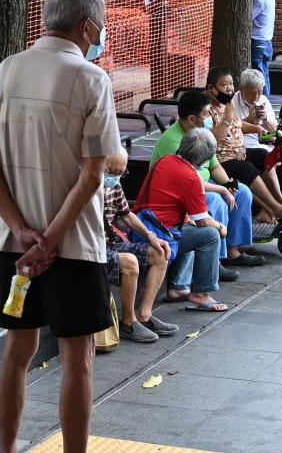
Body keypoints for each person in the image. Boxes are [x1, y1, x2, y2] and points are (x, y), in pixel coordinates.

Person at [0, 0, 124, 453]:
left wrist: (22, 231)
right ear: (87, 26)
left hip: (11, 248)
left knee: (17, 351)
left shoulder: (5, 71)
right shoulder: (90, 78)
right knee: (78, 359)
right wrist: (53, 239)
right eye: (99, 28)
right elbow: (94, 173)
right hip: (75, 247)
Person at [150, 90, 263, 275]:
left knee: (241, 191)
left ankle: (233, 251)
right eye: (206, 114)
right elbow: (187, 181)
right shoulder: (173, 142)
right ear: (192, 119)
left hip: (202, 182)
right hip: (179, 191)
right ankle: (215, 261)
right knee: (216, 201)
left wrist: (227, 184)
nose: (210, 117)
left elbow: (214, 165)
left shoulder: (201, 134)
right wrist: (221, 190)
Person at [135, 128, 230, 313]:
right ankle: (201, 293)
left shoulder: (165, 160)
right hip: (159, 234)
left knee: (189, 225)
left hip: (142, 225)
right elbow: (203, 221)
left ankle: (177, 286)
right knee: (209, 235)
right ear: (204, 159)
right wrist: (220, 226)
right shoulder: (191, 176)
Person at [203, 66, 282, 223]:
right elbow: (210, 140)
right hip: (220, 159)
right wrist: (227, 119)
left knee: (264, 156)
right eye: (224, 84)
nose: (229, 88)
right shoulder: (205, 108)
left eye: (231, 83)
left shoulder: (225, 104)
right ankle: (276, 210)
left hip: (239, 152)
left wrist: (257, 128)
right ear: (211, 88)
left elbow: (238, 125)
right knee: (246, 168)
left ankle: (280, 201)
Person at [102, 149, 178, 344]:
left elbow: (126, 214)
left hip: (110, 244)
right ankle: (128, 322)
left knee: (160, 253)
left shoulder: (115, 185)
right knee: (130, 262)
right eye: (112, 171)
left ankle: (144, 314)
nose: (116, 177)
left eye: (121, 173)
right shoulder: (88, 188)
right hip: (92, 250)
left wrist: (151, 236)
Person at [251, 0, 276, 96]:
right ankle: (266, 100)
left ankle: (264, 101)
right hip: (266, 42)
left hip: (257, 41)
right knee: (264, 73)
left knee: (259, 75)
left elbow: (248, 17)